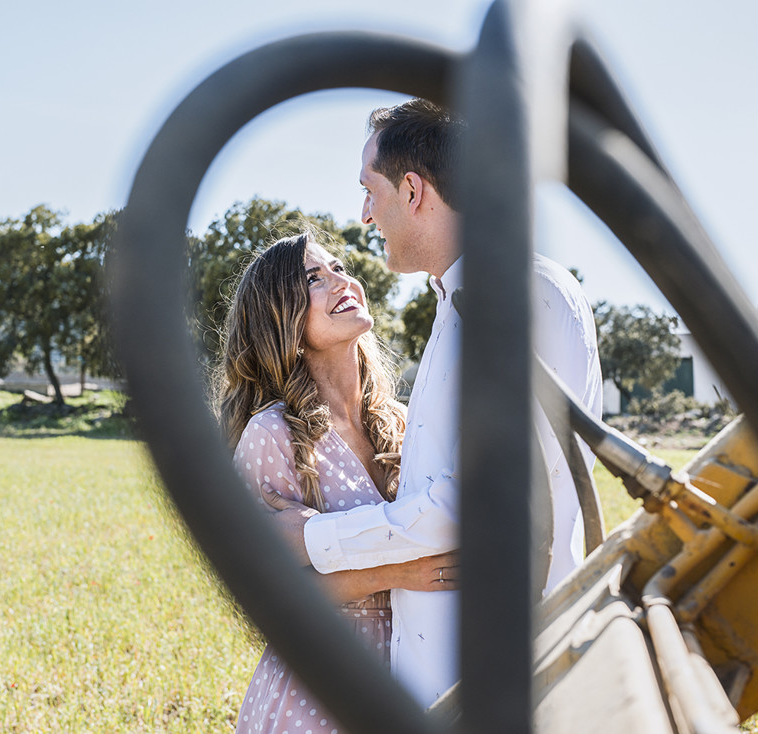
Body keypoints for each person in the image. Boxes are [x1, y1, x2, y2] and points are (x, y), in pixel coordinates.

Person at [265, 98, 604, 708]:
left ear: (413, 191)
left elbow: (480, 503)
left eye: (370, 192)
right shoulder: (454, 307)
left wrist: (314, 538)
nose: (365, 216)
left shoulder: (526, 293)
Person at [217, 231, 459, 734]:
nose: (340, 281)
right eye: (313, 278)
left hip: (412, 667)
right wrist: (399, 572)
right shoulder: (273, 434)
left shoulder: (405, 423)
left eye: (339, 268)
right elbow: (264, 593)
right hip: (317, 685)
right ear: (282, 319)